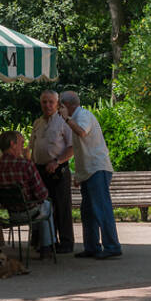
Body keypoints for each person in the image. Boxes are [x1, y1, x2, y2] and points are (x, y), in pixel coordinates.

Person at [59, 90, 122, 260]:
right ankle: (92, 247)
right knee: (87, 211)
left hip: (97, 169)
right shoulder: (76, 117)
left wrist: (66, 118)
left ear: (68, 105)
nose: (59, 109)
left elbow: (83, 132)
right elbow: (80, 150)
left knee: (101, 209)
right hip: (88, 171)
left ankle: (112, 246)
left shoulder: (83, 115)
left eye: (60, 105)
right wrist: (79, 175)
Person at [0, 130, 53, 254]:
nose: (24, 146)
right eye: (22, 143)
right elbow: (42, 194)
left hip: (4, 214)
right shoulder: (25, 164)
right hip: (26, 212)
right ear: (13, 144)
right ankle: (46, 247)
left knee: (39, 204)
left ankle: (36, 240)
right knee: (46, 204)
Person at [29, 90, 75, 254]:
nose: (47, 105)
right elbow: (31, 147)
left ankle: (66, 243)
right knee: (43, 207)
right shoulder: (37, 123)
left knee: (62, 207)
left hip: (58, 169)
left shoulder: (64, 121)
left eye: (50, 102)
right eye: (44, 102)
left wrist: (57, 162)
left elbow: (72, 148)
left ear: (57, 104)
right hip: (39, 170)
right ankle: (48, 242)